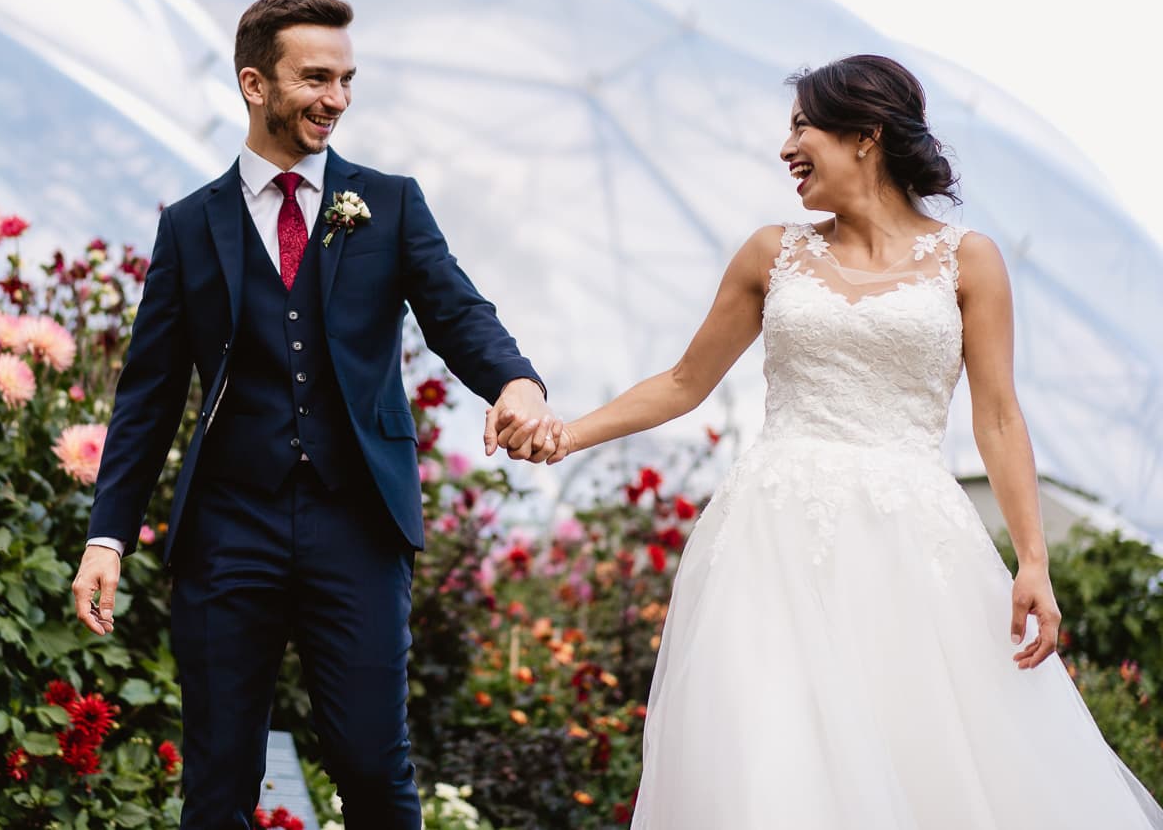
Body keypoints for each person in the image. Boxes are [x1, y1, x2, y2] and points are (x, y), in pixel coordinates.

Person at [496, 55, 1163, 827]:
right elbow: (684, 381)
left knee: (922, 750)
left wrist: (1033, 561)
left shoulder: (968, 261)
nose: (787, 148)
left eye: (803, 126)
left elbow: (1000, 418)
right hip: (770, 541)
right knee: (775, 758)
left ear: (866, 135)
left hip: (913, 547)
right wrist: (565, 433)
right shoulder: (769, 253)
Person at [70, 0, 559, 829]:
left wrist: (518, 382)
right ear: (255, 83)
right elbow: (148, 395)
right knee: (219, 777)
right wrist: (107, 535)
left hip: (358, 524)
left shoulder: (390, 204)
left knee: (373, 766)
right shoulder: (191, 226)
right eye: (316, 77)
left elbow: (458, 313)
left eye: (346, 79)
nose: (336, 98)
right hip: (228, 528)